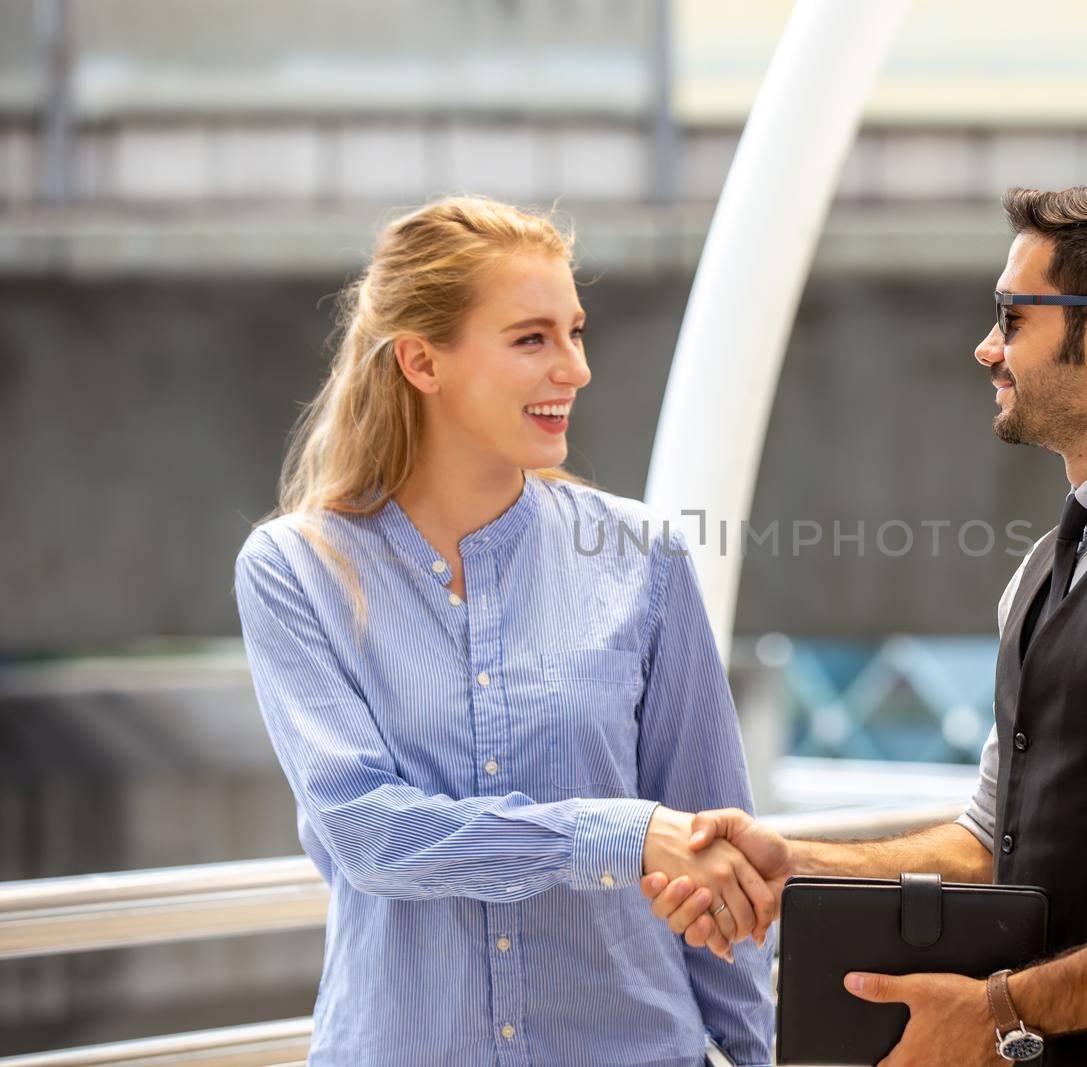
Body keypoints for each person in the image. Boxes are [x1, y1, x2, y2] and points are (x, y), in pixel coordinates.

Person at [643, 180, 1087, 1066]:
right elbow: (992, 837)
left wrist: (1002, 1008)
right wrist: (798, 864)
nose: (985, 349)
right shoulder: (1047, 565)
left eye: (1012, 316)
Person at [233, 196, 776, 1066]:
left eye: (576, 331)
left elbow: (719, 856)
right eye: (532, 338)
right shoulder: (297, 570)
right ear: (421, 361)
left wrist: (754, 1054)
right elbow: (368, 831)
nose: (576, 367)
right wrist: (619, 831)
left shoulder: (643, 558)